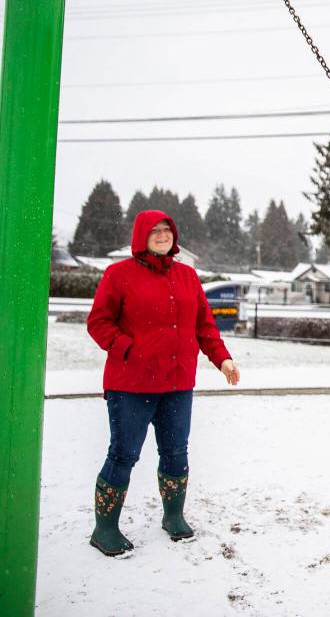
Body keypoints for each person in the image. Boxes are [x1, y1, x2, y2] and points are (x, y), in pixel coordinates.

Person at [85, 210, 241, 557]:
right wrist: (130, 349)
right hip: (131, 385)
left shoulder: (187, 276)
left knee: (176, 452)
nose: (161, 235)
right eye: (154, 231)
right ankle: (105, 528)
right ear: (141, 236)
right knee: (123, 454)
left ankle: (174, 517)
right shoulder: (118, 274)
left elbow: (204, 326)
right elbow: (98, 322)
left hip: (176, 384)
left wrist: (223, 358)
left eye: (166, 230)